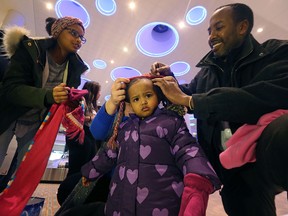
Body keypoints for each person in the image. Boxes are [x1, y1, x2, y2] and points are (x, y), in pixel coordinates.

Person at [150, 3, 288, 216]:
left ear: (242, 27)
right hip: (231, 172)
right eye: (209, 31)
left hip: (263, 157)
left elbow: (259, 97)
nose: (212, 35)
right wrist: (165, 82)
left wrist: (192, 101)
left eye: (219, 27)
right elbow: (185, 94)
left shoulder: (276, 53)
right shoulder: (206, 73)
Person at [77, 76, 221, 216]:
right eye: (136, 99)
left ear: (158, 96)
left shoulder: (171, 123)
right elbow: (108, 154)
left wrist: (198, 176)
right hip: (120, 199)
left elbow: (187, 149)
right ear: (130, 104)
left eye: (148, 95)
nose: (143, 102)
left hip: (162, 200)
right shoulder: (123, 128)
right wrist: (91, 172)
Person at [0, 16, 88, 190]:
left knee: (25, 175)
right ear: (57, 31)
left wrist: (73, 104)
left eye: (81, 38)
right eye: (73, 33)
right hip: (7, 115)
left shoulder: (76, 68)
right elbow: (10, 88)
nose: (78, 40)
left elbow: (64, 101)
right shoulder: (31, 49)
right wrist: (49, 96)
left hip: (37, 124)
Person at [57, 80, 111, 206]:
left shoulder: (92, 105)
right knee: (78, 166)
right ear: (93, 91)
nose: (100, 94)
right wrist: (92, 118)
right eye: (98, 91)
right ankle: (70, 195)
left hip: (89, 137)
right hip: (81, 137)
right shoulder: (80, 100)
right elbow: (74, 116)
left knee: (87, 165)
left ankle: (81, 195)